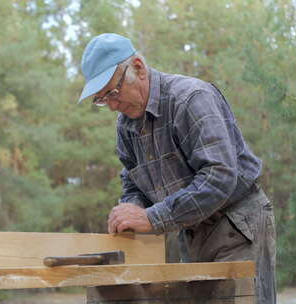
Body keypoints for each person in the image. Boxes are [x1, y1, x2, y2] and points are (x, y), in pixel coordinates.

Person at [77, 33, 276, 304]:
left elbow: (219, 176)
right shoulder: (126, 125)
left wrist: (152, 219)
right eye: (102, 99)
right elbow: (133, 182)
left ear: (138, 67)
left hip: (236, 222)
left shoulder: (191, 98)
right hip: (191, 229)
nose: (112, 105)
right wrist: (132, 210)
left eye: (113, 92)